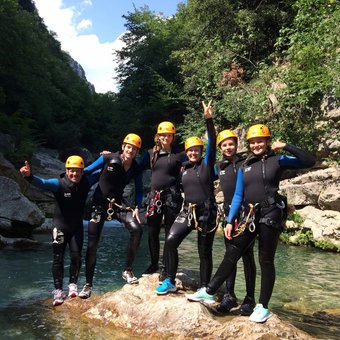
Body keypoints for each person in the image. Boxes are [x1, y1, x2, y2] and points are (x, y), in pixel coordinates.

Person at [186, 124, 315, 323]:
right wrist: (229, 221)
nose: (256, 145)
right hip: (249, 215)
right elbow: (238, 195)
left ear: (267, 141)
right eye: (253, 142)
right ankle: (209, 291)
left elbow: (309, 160)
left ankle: (262, 306)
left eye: (260, 141)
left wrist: (286, 145)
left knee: (265, 260)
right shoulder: (245, 166)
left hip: (270, 214)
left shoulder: (277, 160)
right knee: (232, 252)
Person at [20, 156, 99, 306]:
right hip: (60, 227)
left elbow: (104, 171)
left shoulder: (86, 182)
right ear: (66, 171)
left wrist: (109, 157)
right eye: (71, 171)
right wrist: (29, 176)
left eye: (77, 171)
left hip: (76, 228)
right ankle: (58, 291)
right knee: (58, 258)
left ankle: (72, 285)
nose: (74, 174)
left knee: (76, 256)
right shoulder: (58, 184)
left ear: (83, 172)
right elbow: (42, 183)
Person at [155, 100, 217, 295]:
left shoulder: (207, 164)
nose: (192, 153)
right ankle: (170, 280)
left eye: (196, 150)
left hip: (207, 211)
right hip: (187, 210)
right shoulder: (183, 168)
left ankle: (205, 289)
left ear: (200, 151)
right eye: (189, 150)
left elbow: (213, 143)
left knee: (204, 251)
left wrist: (209, 120)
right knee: (171, 240)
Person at [78, 133, 143, 299]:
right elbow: (87, 170)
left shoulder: (135, 167)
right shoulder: (108, 158)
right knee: (92, 245)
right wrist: (70, 178)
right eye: (128, 147)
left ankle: (127, 270)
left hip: (118, 205)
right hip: (99, 205)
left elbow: (140, 188)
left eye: (134, 149)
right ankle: (88, 284)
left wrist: (136, 206)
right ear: (123, 147)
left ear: (137, 151)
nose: (131, 150)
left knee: (137, 229)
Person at [214, 129, 256, 315]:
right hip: (229, 216)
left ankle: (250, 299)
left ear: (236, 145)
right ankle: (229, 296)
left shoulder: (245, 162)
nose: (228, 147)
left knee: (248, 257)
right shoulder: (219, 166)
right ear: (220, 148)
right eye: (224, 145)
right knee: (229, 256)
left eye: (231, 144)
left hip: (246, 215)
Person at [140, 121, 185, 280]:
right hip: (155, 196)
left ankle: (167, 267)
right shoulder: (151, 153)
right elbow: (134, 166)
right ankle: (154, 264)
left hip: (172, 195)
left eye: (168, 135)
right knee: (152, 232)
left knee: (169, 233)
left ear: (173, 136)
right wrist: (114, 156)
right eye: (163, 135)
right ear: (158, 136)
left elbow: (195, 164)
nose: (165, 137)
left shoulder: (179, 154)